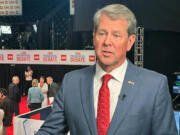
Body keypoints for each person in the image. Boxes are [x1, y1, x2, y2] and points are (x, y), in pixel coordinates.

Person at [36, 4, 177, 135]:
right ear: (93, 37)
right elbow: (50, 131)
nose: (107, 42)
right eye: (102, 33)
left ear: (130, 42)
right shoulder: (71, 82)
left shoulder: (155, 86)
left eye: (116, 35)